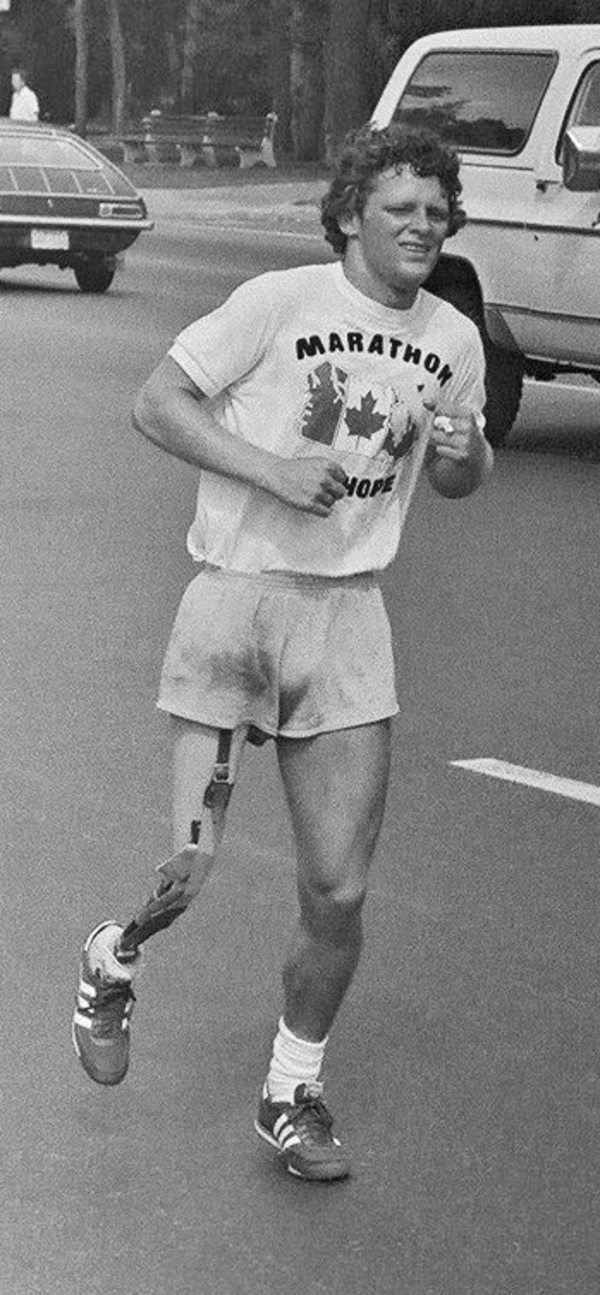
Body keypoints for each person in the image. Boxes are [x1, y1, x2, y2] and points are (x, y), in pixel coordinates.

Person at [72, 123, 493, 1183]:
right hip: (236, 606)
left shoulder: (454, 335)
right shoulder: (277, 303)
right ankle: (113, 952)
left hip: (349, 618)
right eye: (399, 209)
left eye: (436, 212)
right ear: (350, 213)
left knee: (339, 891)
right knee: (193, 868)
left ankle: (290, 1089)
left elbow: (457, 479)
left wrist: (466, 451)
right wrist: (264, 466)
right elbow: (155, 402)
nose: (421, 227)